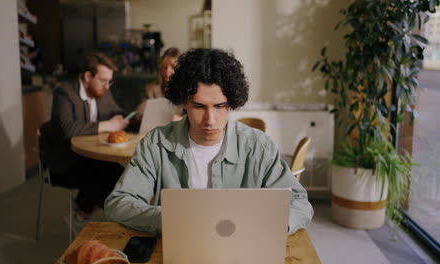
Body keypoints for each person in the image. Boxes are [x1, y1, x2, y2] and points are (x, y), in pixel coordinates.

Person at [104, 48, 313, 235]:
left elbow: (300, 202)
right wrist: (170, 219)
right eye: (199, 107)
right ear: (184, 103)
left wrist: (273, 225)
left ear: (232, 103)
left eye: (220, 106)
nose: (210, 120)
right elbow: (118, 203)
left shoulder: (258, 146)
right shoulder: (155, 144)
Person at [40, 52, 129, 225]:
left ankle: (86, 211)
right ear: (88, 76)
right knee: (104, 174)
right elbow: (68, 129)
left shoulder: (102, 90)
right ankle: (96, 215)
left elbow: (115, 112)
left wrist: (134, 116)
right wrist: (107, 126)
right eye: (103, 80)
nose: (107, 86)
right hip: (64, 162)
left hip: (90, 157)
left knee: (119, 174)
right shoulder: (65, 93)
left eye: (110, 81)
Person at [131, 47, 183, 130]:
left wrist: (181, 120)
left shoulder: (187, 90)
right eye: (164, 67)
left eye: (172, 67)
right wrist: (140, 115)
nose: (167, 71)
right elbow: (140, 110)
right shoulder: (151, 89)